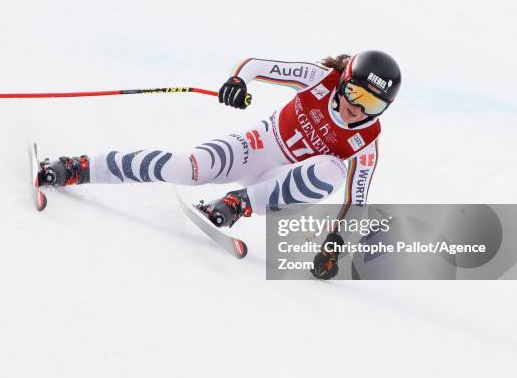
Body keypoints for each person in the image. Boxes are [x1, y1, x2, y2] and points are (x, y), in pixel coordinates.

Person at [37, 50, 401, 279]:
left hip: (282, 187)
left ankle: (236, 203)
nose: (358, 108)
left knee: (332, 172)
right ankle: (80, 167)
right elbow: (255, 64)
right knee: (185, 167)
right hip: (259, 145)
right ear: (343, 81)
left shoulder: (366, 143)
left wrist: (334, 242)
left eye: (373, 104)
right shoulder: (320, 79)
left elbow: (356, 202)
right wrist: (238, 80)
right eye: (355, 93)